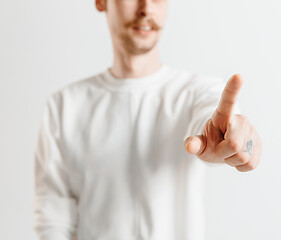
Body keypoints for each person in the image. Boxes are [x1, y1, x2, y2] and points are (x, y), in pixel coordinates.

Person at [32, 0, 263, 239]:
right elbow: (54, 220)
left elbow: (212, 123)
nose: (146, 8)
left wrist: (237, 142)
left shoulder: (197, 93)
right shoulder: (64, 107)